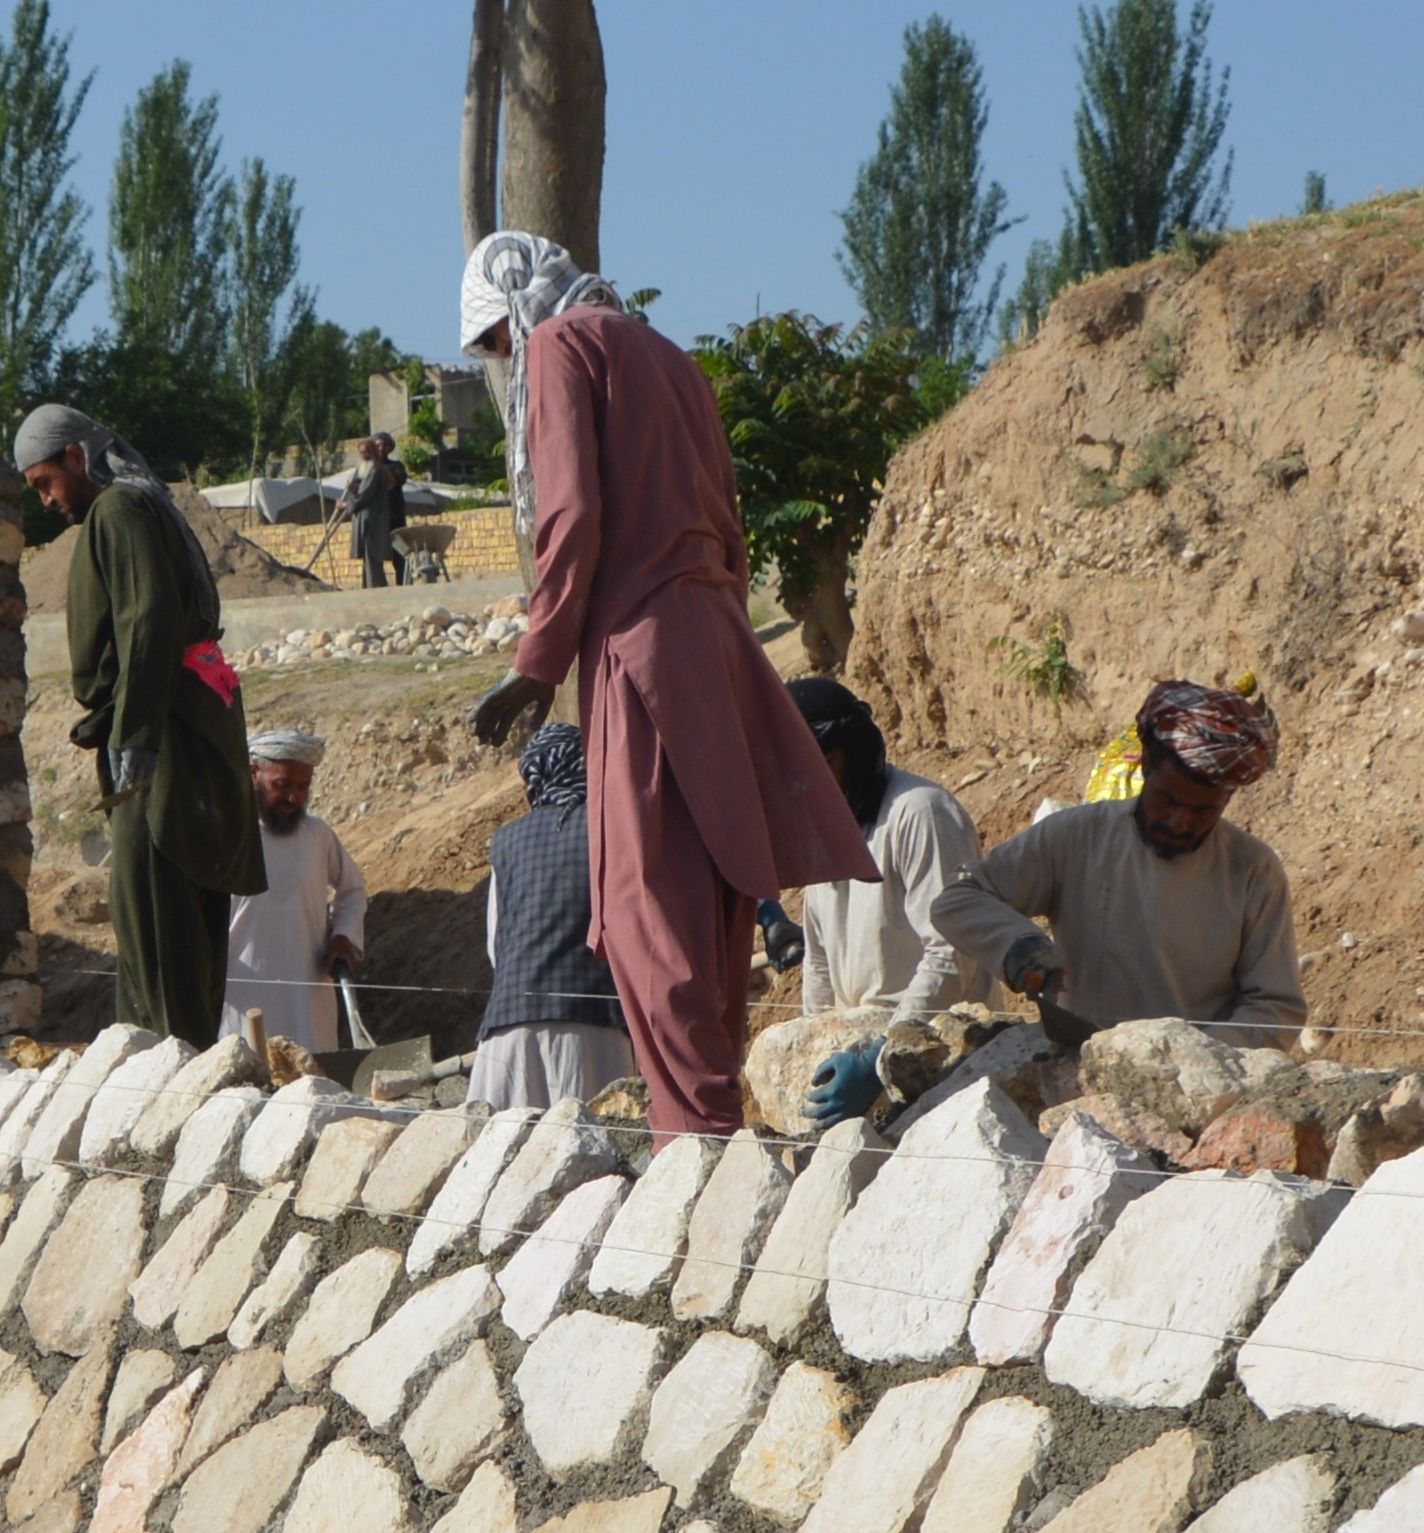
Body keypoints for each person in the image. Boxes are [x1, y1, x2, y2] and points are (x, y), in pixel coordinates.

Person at [453, 231, 879, 1137]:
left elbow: (570, 514)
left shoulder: (560, 345)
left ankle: (693, 1132)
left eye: (494, 340)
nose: (503, 360)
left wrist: (537, 663)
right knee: (716, 882)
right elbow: (728, 526)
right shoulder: (671, 359)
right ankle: (708, 1111)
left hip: (635, 644)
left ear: (517, 307)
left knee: (644, 900)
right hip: (715, 639)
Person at [21, 403, 264, 1043]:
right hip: (179, 722)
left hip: (163, 735)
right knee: (178, 920)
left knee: (155, 921)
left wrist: (134, 737)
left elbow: (146, 620)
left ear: (77, 457)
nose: (45, 500)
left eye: (45, 481)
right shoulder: (139, 506)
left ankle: (166, 1082)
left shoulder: (118, 510)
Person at [928, 678, 1312, 1058]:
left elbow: (1274, 1008)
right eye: (1168, 800)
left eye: (1202, 811)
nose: (1179, 822)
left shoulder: (1253, 871)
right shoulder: (1077, 836)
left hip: (1197, 1089)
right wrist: (1016, 944)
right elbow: (960, 898)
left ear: (1228, 798)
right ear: (1145, 765)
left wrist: (1188, 1056)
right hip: (1076, 1073)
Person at [781, 675, 988, 1020]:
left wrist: (894, 1044)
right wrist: (816, 1037)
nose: (810, 785)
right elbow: (819, 965)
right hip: (860, 1039)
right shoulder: (824, 831)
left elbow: (951, 948)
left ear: (857, 752)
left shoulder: (921, 812)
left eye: (825, 763)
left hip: (945, 1044)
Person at [472, 722, 637, 1110]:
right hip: (595, 1026)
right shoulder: (618, 828)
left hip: (508, 1028)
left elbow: (498, 948)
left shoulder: (506, 841)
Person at [224, 729, 370, 1054]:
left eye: (303, 787)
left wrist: (344, 936)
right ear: (253, 773)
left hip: (309, 999)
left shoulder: (317, 836)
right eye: (283, 785)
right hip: (239, 999)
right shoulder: (227, 835)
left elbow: (353, 891)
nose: (294, 798)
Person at [344, 433, 411, 588]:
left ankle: (404, 585)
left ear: (389, 448)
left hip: (393, 518)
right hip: (375, 521)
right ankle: (372, 585)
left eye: (384, 445)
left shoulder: (394, 467)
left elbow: (392, 483)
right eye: (378, 445)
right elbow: (358, 492)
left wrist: (378, 469)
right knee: (372, 555)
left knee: (398, 555)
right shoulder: (363, 469)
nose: (381, 448)